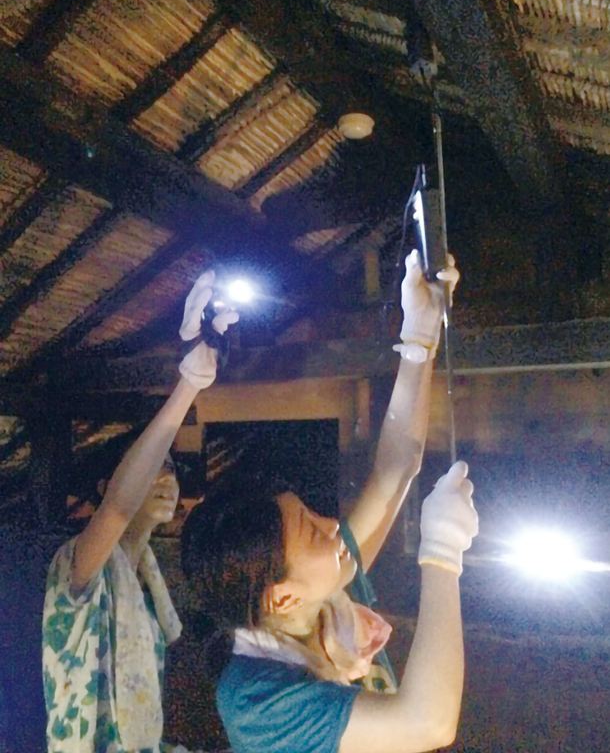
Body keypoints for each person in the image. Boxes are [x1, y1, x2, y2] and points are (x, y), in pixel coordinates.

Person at [182, 250, 478, 753]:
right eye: (311, 530)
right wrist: (442, 553)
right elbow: (427, 724)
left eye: (312, 514)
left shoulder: (317, 601)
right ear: (281, 597)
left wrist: (419, 338)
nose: (333, 525)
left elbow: (394, 469)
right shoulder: (256, 701)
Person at [42, 270, 238, 753]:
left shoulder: (149, 587)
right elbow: (116, 510)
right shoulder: (78, 567)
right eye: (155, 468)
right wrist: (188, 386)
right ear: (111, 482)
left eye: (171, 469)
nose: (168, 480)